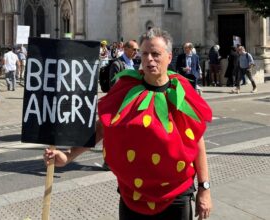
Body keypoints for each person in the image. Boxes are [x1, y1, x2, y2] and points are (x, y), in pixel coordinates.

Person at [44, 27, 212, 220]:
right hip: (133, 194)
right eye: (145, 53)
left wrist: (204, 188)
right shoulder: (126, 88)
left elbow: (197, 140)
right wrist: (68, 156)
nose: (149, 59)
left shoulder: (181, 90)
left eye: (156, 54)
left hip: (176, 195)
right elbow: (101, 128)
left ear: (169, 56)